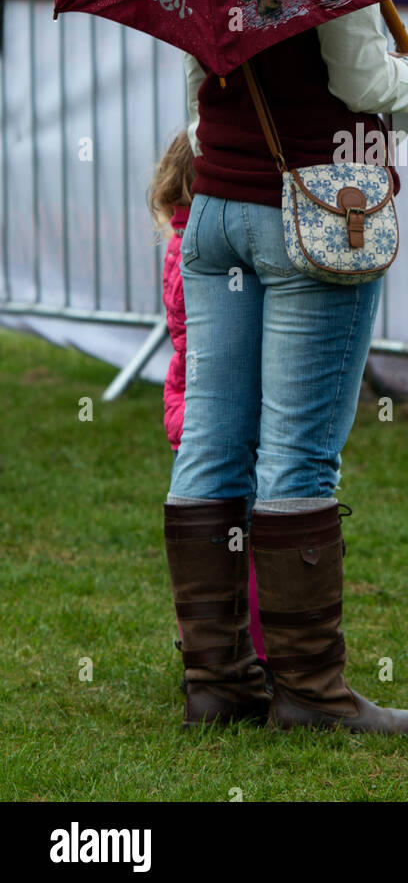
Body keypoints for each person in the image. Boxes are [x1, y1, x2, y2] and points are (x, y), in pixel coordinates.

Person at [164, 2, 408, 733]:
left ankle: (217, 682)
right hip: (316, 213)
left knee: (211, 442)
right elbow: (361, 83)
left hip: (216, 209)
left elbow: (199, 84)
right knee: (299, 453)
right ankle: (312, 694)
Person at [147, 131, 266, 665]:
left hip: (186, 405)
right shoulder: (205, 254)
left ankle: (208, 649)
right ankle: (254, 654)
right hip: (207, 407)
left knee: (215, 539)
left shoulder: (180, 244)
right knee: (242, 539)